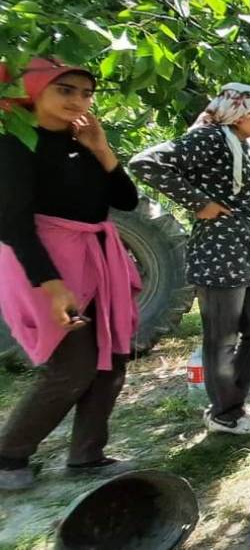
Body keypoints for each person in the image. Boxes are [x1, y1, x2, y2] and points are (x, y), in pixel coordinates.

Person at [131, 80, 250, 435]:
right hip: (220, 254)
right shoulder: (210, 139)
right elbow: (146, 162)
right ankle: (227, 412)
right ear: (236, 111)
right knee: (221, 338)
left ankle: (230, 405)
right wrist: (200, 204)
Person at [0, 57, 141, 490]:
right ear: (35, 90)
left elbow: (127, 200)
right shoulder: (14, 144)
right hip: (43, 264)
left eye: (85, 92)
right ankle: (8, 455)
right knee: (74, 364)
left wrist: (101, 148)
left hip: (97, 259)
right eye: (66, 90)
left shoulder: (83, 143)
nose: (78, 100)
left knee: (113, 357)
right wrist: (54, 286)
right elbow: (13, 225)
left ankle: (86, 456)